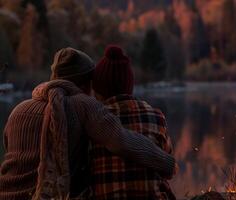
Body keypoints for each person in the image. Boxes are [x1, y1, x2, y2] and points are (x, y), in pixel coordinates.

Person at [0, 47, 176, 200]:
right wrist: (167, 163)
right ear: (86, 83)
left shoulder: (18, 110)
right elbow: (122, 141)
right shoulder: (82, 104)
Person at [90, 45, 176, 200]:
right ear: (129, 85)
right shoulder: (156, 117)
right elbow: (168, 171)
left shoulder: (92, 122)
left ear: (98, 90)